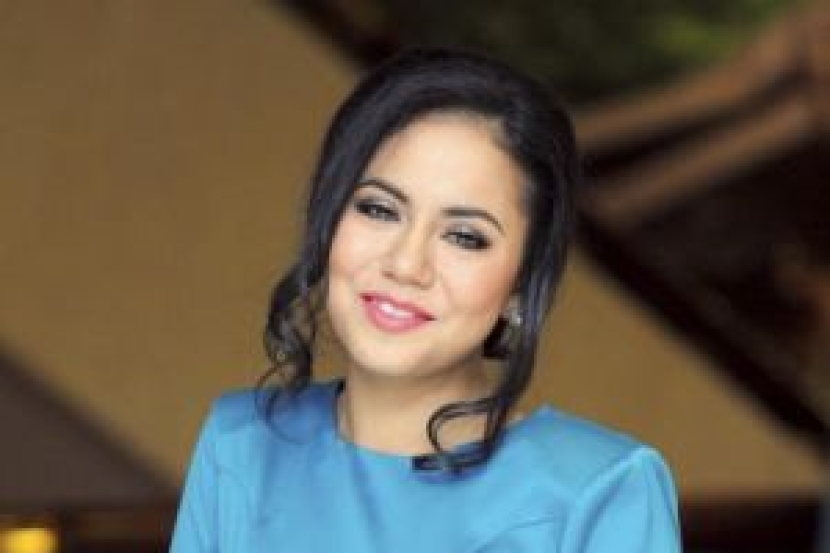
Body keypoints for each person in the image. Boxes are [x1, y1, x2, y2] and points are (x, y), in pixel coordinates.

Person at [169, 48, 681, 552]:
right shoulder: (240, 447)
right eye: (379, 209)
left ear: (522, 285)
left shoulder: (602, 492)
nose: (406, 264)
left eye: (464, 236)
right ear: (328, 221)